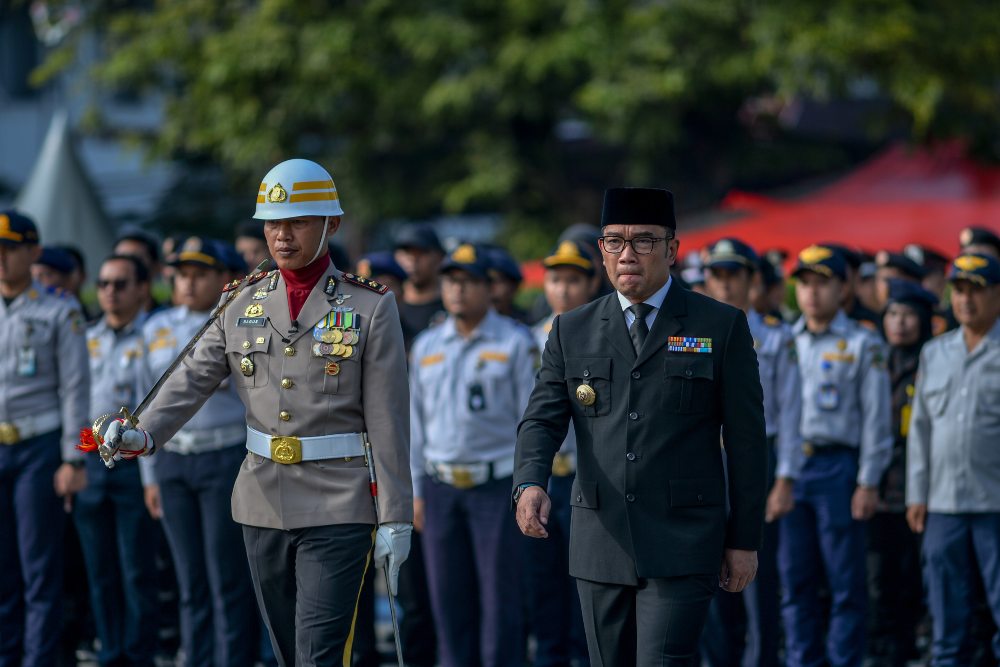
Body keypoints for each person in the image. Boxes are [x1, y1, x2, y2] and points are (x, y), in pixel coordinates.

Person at [94, 159, 413, 666]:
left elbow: (389, 419)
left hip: (339, 500)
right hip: (261, 497)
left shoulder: (370, 306)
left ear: (332, 223)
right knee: (288, 651)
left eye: (298, 222)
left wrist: (396, 516)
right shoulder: (241, 300)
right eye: (273, 223)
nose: (282, 236)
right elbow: (192, 376)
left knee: (319, 653)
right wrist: (143, 434)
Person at [515, 188, 768, 666]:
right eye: (614, 242)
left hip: (683, 539)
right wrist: (530, 481)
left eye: (644, 242)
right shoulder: (572, 329)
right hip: (600, 539)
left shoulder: (720, 326)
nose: (626, 255)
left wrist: (744, 540)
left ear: (672, 251)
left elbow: (747, 442)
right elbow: (542, 418)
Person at [409, 243, 538, 667]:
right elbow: (414, 425)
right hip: (440, 485)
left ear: (489, 287)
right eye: (451, 281)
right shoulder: (427, 345)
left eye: (468, 282)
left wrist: (526, 486)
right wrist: (415, 491)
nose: (458, 290)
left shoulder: (516, 342)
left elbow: (531, 421)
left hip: (496, 487)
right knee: (448, 600)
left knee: (501, 600)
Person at [138, 238, 258, 667]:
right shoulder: (155, 327)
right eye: (182, 273)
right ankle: (198, 658)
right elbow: (142, 404)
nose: (187, 282)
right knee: (189, 579)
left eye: (200, 274)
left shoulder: (243, 322)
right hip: (171, 460)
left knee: (226, 576)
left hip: (223, 457)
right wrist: (148, 476)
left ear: (225, 279)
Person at [781, 244, 892, 667]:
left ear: (843, 288)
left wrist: (868, 480)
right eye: (804, 283)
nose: (811, 293)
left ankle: (844, 661)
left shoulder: (862, 342)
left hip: (838, 468)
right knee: (795, 581)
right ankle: (801, 660)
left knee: (845, 583)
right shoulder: (785, 338)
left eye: (822, 283)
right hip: (791, 468)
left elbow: (877, 419)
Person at [701, 238, 802, 667]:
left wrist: (785, 479)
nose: (725, 285)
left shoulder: (776, 338)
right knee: (708, 574)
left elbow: (794, 413)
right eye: (717, 275)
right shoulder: (692, 336)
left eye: (734, 275)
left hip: (760, 460)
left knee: (756, 574)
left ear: (752, 280)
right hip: (707, 463)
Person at [0, 209, 90, 666]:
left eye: (10, 250)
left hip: (39, 446)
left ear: (33, 253)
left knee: (39, 570)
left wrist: (73, 460)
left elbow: (76, 388)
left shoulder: (60, 308)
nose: (1, 258)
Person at [906, 253, 1000, 665]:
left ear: (997, 295)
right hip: (942, 504)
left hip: (995, 505)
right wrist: (917, 494)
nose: (965, 300)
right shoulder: (935, 352)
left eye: (976, 290)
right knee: (947, 624)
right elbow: (921, 429)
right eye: (958, 290)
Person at [76, 253, 159, 667]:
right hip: (92, 461)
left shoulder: (155, 337)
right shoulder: (87, 337)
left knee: (136, 569)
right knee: (100, 569)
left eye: (120, 283)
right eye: (104, 283)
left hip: (135, 464)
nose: (109, 291)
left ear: (142, 288)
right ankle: (110, 652)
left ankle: (138, 653)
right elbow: (75, 405)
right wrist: (75, 458)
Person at [528, 239, 599, 667]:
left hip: (583, 477)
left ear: (591, 283)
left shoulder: (604, 334)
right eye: (556, 279)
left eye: (574, 280)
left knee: (587, 582)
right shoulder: (527, 339)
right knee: (542, 582)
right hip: (542, 478)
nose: (565, 289)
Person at [866, 279, 935, 666]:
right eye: (893, 314)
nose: (900, 323)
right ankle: (882, 651)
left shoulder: (932, 361)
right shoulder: (876, 360)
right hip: (878, 489)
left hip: (916, 489)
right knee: (878, 581)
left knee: (913, 581)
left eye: (909, 315)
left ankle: (910, 649)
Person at [394, 223, 447, 348]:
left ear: (439, 257)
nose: (413, 260)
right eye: (406, 252)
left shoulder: (453, 304)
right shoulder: (390, 304)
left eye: (421, 253)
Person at [486, 245, 531, 324]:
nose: (490, 288)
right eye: (486, 281)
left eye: (496, 281)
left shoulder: (530, 327)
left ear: (514, 287)